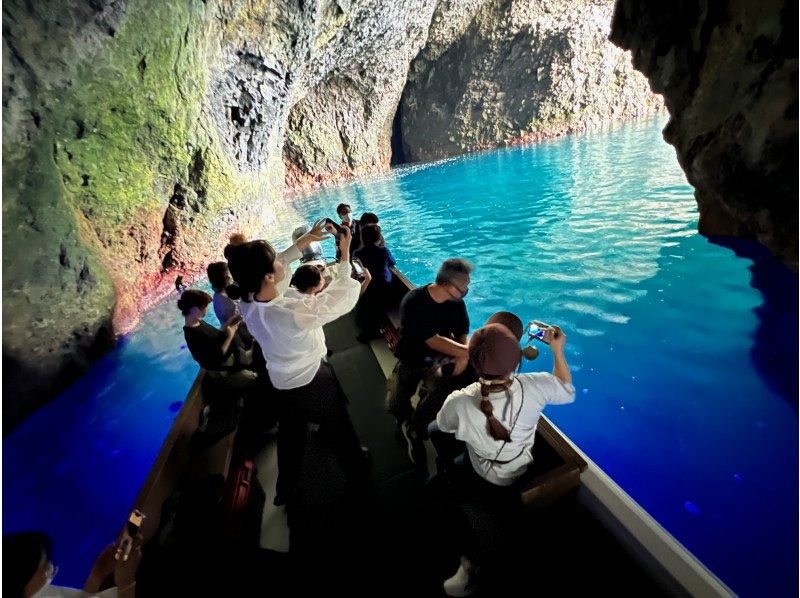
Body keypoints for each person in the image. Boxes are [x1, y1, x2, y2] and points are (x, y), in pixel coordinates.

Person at [225, 221, 368, 506]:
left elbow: (277, 267)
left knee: (292, 435)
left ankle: (286, 489)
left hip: (280, 380)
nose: (281, 260)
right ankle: (359, 477)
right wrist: (344, 255)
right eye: (275, 260)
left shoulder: (249, 300)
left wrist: (304, 242)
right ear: (267, 276)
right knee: (341, 427)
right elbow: (341, 298)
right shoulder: (293, 311)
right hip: (312, 378)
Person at [432, 316, 575, 596]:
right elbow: (567, 391)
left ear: (473, 363)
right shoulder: (535, 386)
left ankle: (470, 560)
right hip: (519, 468)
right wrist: (558, 351)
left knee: (437, 489)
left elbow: (445, 425)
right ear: (517, 361)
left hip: (481, 473)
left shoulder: (460, 401)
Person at [386, 258, 477, 466]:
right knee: (396, 402)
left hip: (438, 362)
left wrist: (463, 352)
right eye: (463, 286)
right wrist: (465, 353)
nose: (466, 289)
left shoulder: (456, 303)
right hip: (411, 358)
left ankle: (415, 431)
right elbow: (433, 340)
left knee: (434, 402)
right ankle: (403, 420)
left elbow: (462, 330)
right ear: (447, 285)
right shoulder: (414, 302)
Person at [3, 531, 140, 597]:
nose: (51, 567)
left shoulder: (39, 593)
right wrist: (126, 581)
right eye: (45, 562)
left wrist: (95, 578)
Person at [353, 224, 396, 341]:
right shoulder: (384, 251)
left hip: (367, 288)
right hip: (384, 289)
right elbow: (393, 262)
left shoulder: (357, 254)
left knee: (367, 302)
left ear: (362, 238)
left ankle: (367, 330)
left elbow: (357, 272)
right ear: (379, 238)